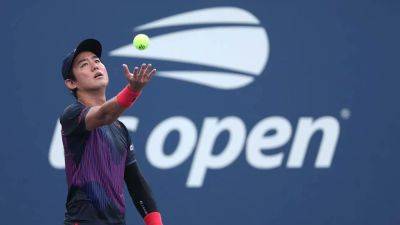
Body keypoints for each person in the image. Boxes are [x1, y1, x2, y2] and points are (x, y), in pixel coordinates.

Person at [59, 38, 163, 225]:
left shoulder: (119, 129)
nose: (94, 66)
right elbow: (104, 115)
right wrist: (133, 90)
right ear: (71, 83)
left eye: (97, 61)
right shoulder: (72, 115)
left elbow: (136, 183)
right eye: (84, 64)